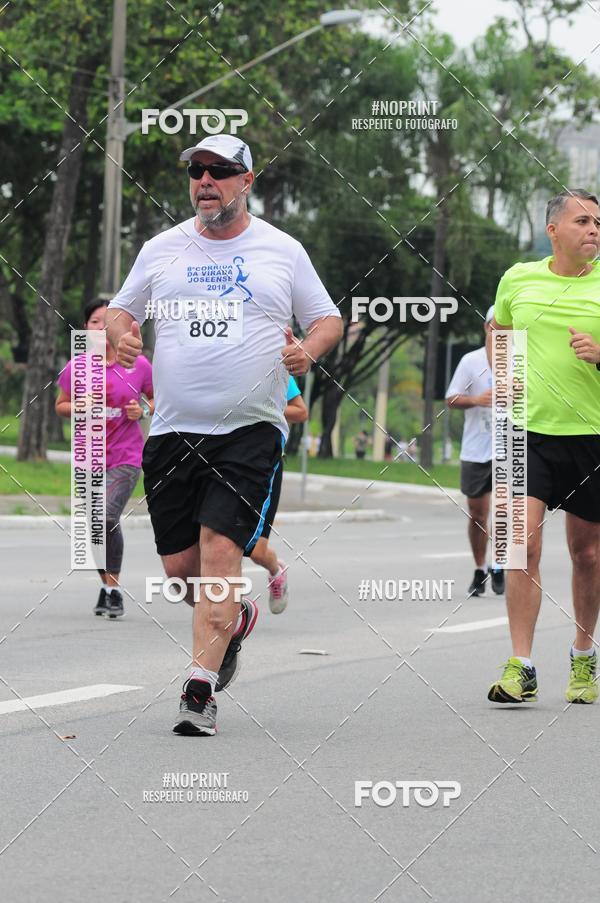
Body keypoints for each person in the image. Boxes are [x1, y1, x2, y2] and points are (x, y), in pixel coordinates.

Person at [106, 134, 342, 736]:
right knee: (181, 571)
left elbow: (327, 319)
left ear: (246, 179)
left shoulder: (282, 251)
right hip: (172, 432)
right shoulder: (163, 249)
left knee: (218, 556)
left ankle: (198, 692)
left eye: (219, 171)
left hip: (249, 432)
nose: (205, 180)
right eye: (197, 171)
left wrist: (307, 352)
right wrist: (121, 331)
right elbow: (118, 310)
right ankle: (233, 622)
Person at [487, 188, 600, 705]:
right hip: (524, 431)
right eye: (582, 221)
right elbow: (499, 329)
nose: (593, 230)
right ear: (553, 229)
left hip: (590, 435)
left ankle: (582, 657)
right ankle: (522, 663)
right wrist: (503, 374)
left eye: (598, 223)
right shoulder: (519, 278)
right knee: (520, 544)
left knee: (589, 554)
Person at [56, 298, 154, 618]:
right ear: (86, 328)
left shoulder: (138, 365)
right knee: (95, 525)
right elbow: (61, 405)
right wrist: (80, 406)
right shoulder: (77, 368)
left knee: (107, 515)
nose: (102, 327)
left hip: (126, 456)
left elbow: (156, 400)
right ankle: (108, 587)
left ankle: (112, 589)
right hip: (89, 457)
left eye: (107, 321)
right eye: (95, 322)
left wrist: (142, 410)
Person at [446, 306, 504, 598]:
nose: (499, 331)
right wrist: (476, 399)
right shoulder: (471, 361)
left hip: (511, 446)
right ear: (486, 328)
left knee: (507, 513)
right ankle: (480, 567)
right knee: (478, 515)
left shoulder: (521, 359)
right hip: (475, 448)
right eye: (494, 326)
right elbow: (451, 398)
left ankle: (500, 565)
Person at [249, 375, 308, 614]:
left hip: (266, 464)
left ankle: (276, 571)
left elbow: (301, 412)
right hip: (224, 461)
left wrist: (266, 409)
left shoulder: (278, 370)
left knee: (256, 551)